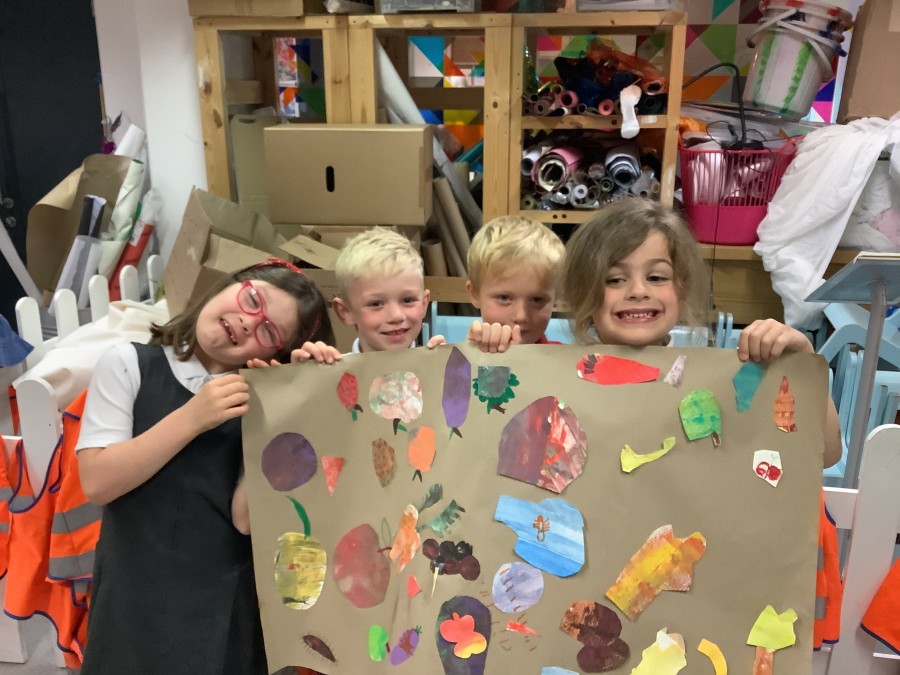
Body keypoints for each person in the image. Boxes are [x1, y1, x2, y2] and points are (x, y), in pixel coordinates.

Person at [76, 258, 334, 675]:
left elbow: (245, 519)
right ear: (230, 284)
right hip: (132, 601)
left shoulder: (260, 401)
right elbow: (97, 481)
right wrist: (193, 417)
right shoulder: (128, 363)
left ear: (275, 353)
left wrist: (292, 401)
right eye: (252, 300)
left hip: (222, 609)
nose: (248, 323)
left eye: (269, 331)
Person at [561, 197, 841, 468]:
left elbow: (826, 454)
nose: (637, 291)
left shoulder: (716, 386)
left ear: (681, 289)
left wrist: (802, 363)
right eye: (614, 280)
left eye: (656, 277)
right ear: (584, 292)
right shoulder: (561, 383)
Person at [294, 227, 444, 364]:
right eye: (376, 304)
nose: (396, 316)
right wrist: (304, 375)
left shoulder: (438, 365)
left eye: (408, 300)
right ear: (345, 312)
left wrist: (452, 370)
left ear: (424, 303)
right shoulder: (327, 373)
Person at [465, 215, 566, 352]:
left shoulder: (568, 361)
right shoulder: (459, 358)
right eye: (504, 298)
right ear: (474, 293)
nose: (521, 316)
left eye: (537, 299)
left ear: (556, 296)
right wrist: (461, 358)